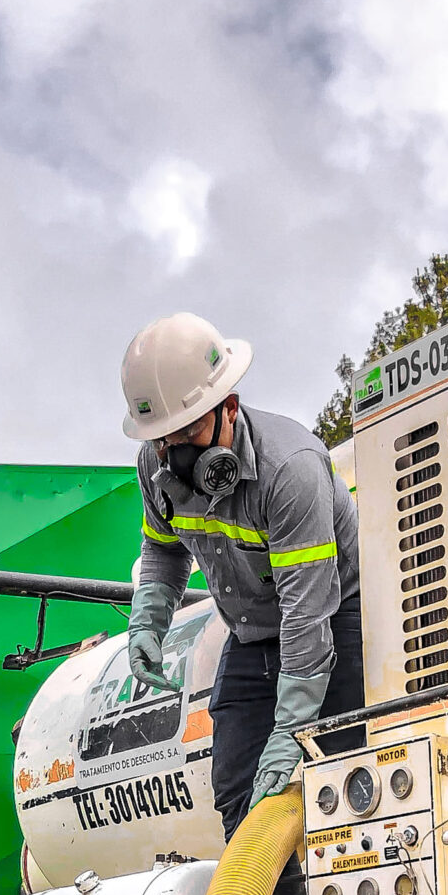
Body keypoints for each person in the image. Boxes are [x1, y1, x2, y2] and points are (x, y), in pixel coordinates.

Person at [118, 311, 364, 837]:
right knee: (238, 785)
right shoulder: (154, 468)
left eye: (189, 432)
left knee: (338, 769)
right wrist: (147, 622)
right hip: (252, 629)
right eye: (163, 439)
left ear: (228, 405)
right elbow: (162, 549)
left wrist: (292, 729)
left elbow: (306, 612)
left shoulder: (289, 469)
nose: (177, 455)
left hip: (338, 614)